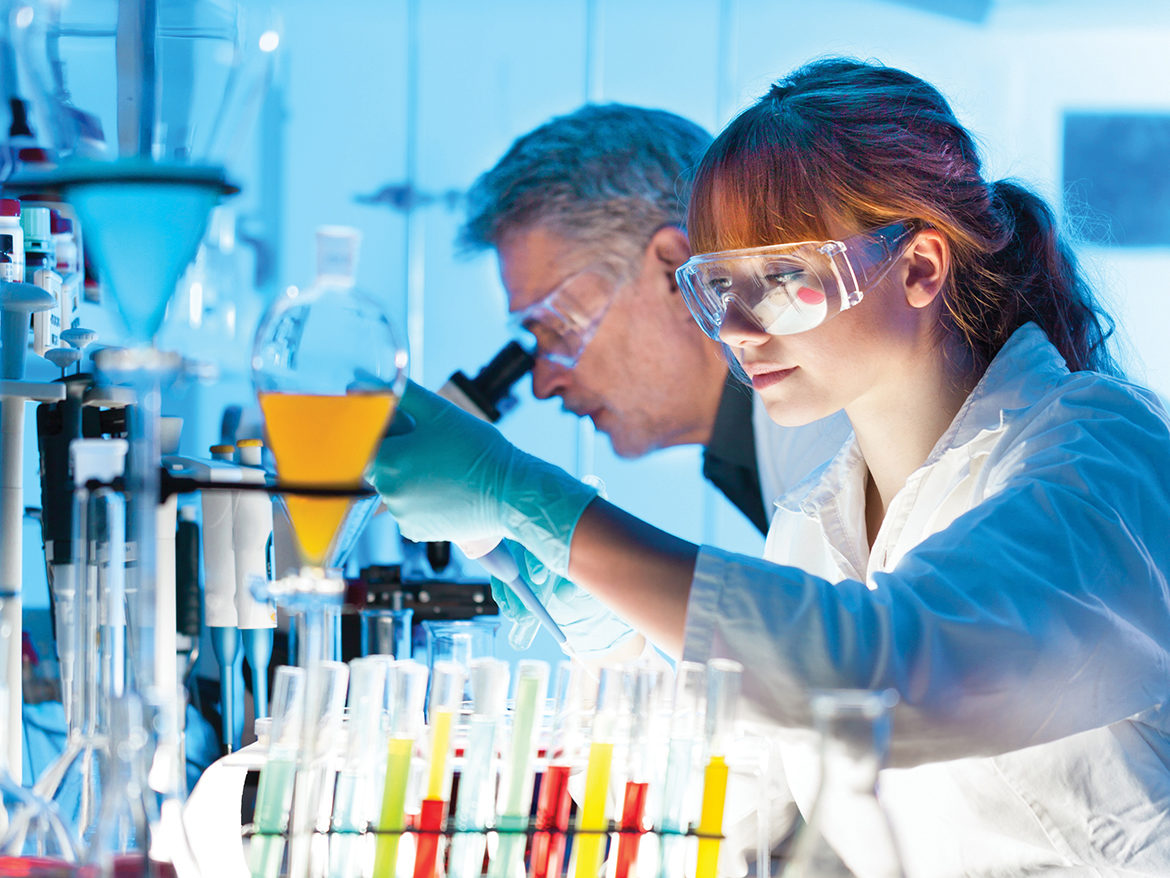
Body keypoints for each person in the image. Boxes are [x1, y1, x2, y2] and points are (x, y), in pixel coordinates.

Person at [372, 57, 1170, 875]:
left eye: (784, 275)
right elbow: (718, 812)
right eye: (719, 286)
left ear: (921, 267)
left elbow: (878, 677)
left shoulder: (1102, 453)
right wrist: (611, 640)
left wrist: (540, 503)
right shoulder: (813, 526)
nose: (740, 329)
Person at [460, 103, 848, 538]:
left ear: (675, 272)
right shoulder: (753, 448)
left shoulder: (828, 431)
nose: (543, 383)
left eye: (559, 329)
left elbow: (833, 608)